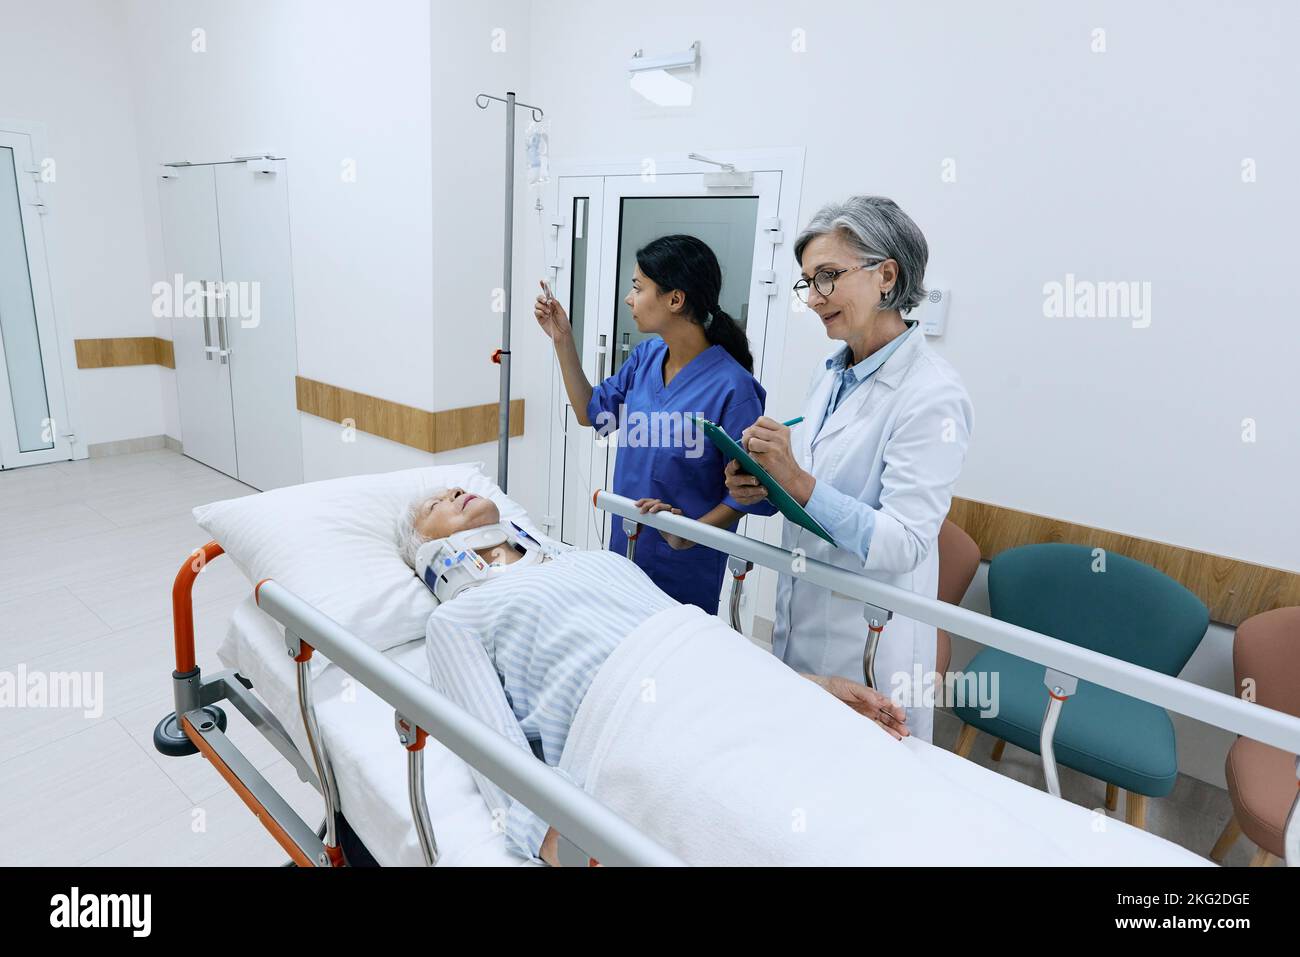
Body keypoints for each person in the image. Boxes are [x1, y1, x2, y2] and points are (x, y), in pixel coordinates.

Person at [396, 486, 909, 864]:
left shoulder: (592, 559)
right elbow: (492, 749)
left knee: (879, 795)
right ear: (424, 554)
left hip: (724, 676)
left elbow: (705, 641)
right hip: (638, 718)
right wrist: (564, 844)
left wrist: (811, 689)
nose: (454, 492)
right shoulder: (458, 618)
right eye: (433, 505)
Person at [726, 196, 973, 743]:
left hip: (871, 641)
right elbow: (821, 493)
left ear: (887, 275)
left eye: (828, 277)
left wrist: (794, 479)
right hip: (805, 612)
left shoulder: (932, 394)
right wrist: (765, 484)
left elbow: (905, 542)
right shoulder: (831, 374)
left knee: (864, 793)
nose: (813, 299)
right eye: (808, 282)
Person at [535, 234, 767, 612]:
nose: (630, 298)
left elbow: (751, 493)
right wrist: (562, 339)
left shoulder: (733, 388)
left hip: (683, 566)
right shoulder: (646, 357)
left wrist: (689, 535)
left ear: (675, 299)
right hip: (625, 545)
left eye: (638, 287)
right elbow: (591, 413)